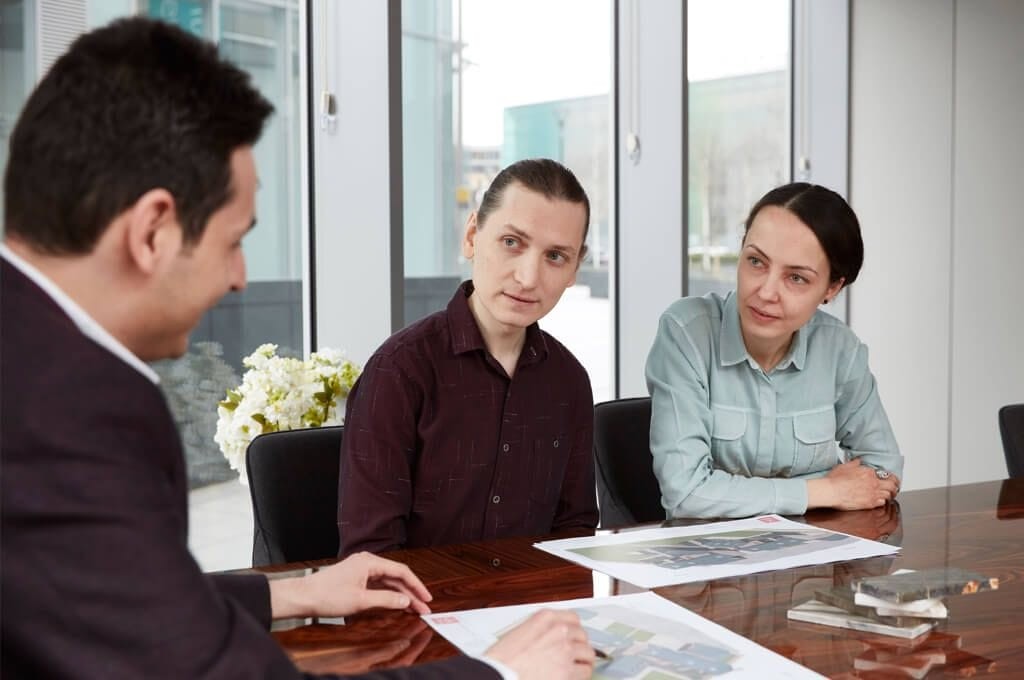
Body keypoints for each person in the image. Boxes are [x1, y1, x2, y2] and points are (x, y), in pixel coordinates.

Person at [0, 17, 594, 679]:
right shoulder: (69, 417)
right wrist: (502, 673)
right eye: (235, 239)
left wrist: (293, 591)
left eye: (557, 256)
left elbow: (116, 598)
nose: (241, 277)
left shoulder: (30, 367)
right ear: (152, 233)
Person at [338, 159, 598, 556]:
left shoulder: (569, 382)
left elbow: (574, 533)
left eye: (555, 257)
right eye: (512, 243)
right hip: (421, 610)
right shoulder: (400, 371)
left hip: (535, 609)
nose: (528, 278)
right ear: (472, 235)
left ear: (575, 268)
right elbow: (371, 557)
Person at [646, 182, 903, 519]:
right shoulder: (686, 334)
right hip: (712, 563)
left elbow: (883, 466)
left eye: (796, 278)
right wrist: (826, 490)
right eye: (756, 262)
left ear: (832, 287)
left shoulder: (840, 348)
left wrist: (869, 483)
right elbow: (687, 494)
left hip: (814, 560)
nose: (766, 292)